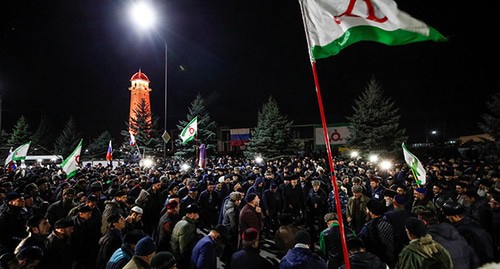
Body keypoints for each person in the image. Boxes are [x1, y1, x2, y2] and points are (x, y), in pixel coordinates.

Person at [442, 201, 494, 265]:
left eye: (448, 215)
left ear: (455, 216)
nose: (447, 217)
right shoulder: (472, 220)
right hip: (489, 256)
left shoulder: (461, 231)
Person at [359, 199, 396, 268]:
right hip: (391, 257)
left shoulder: (368, 227)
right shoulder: (389, 221)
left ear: (371, 212)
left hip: (375, 260)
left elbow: (361, 241)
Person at [170, 203, 202, 269]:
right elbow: (183, 249)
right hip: (181, 260)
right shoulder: (187, 226)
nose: (198, 216)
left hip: (175, 255)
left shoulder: (181, 222)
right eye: (197, 214)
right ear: (192, 215)